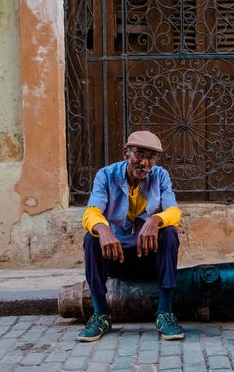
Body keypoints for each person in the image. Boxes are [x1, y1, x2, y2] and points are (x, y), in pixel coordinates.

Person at [77, 131, 184, 342]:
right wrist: (103, 229)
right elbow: (91, 211)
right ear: (126, 152)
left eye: (151, 157)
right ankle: (100, 314)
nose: (145, 163)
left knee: (169, 233)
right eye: (139, 154)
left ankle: (165, 313)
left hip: (148, 258)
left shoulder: (160, 176)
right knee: (91, 238)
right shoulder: (106, 175)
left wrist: (155, 221)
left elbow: (174, 211)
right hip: (116, 258)